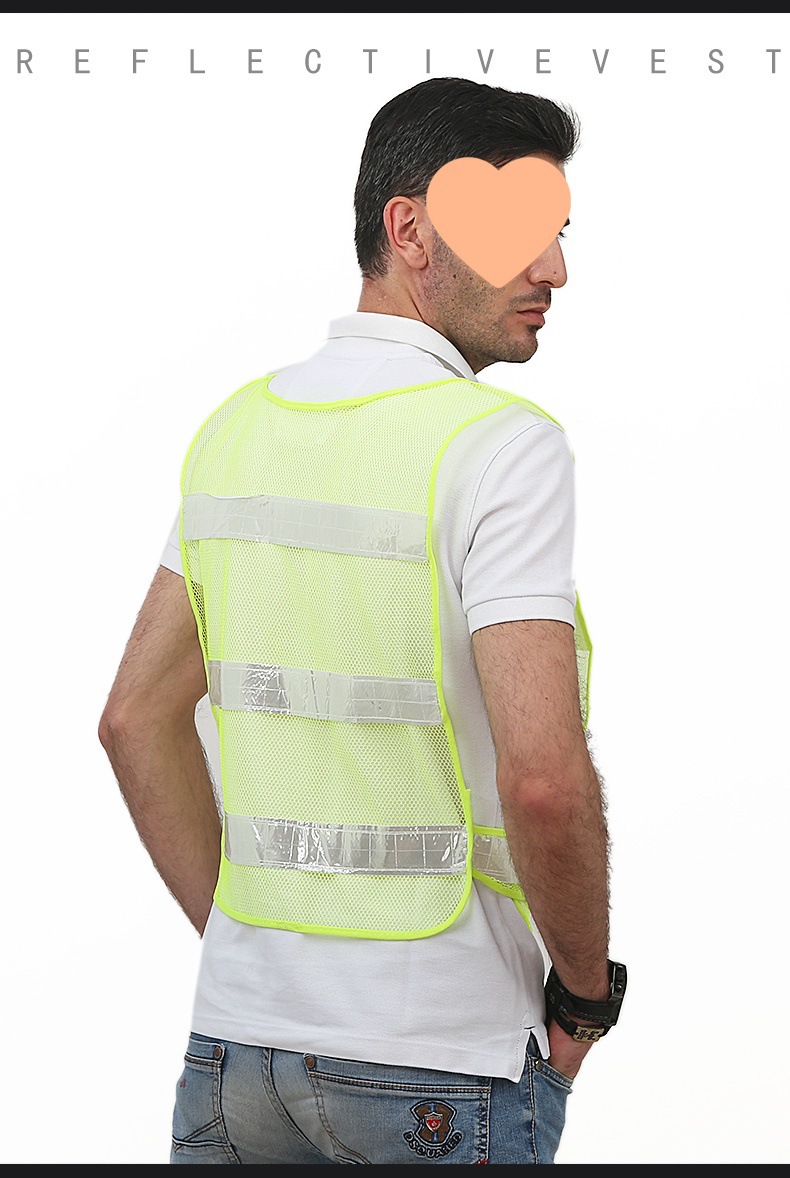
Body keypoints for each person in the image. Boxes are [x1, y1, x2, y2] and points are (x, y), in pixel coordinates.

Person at [98, 76, 625, 1166]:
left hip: (237, 1049)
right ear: (410, 230)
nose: (554, 270)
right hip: (438, 1055)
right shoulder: (501, 449)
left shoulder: (237, 432)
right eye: (522, 233)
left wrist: (255, 958)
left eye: (559, 234)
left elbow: (134, 718)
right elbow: (542, 778)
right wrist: (584, 998)